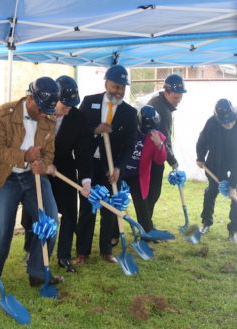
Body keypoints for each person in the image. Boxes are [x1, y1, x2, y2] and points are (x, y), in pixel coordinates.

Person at [0, 77, 62, 288]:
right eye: (42, 108)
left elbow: (49, 153)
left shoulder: (49, 119)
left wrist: (43, 164)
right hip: (3, 176)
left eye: (49, 109)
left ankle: (38, 271)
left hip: (32, 176)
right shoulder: (3, 114)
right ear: (30, 98)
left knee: (50, 222)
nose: (45, 113)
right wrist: (24, 157)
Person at [20, 75, 92, 274]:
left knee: (69, 213)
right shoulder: (39, 113)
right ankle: (30, 250)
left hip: (64, 171)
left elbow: (83, 152)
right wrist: (38, 162)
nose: (67, 109)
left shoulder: (78, 119)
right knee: (35, 213)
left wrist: (85, 181)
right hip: (37, 169)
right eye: (64, 104)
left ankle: (64, 256)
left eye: (71, 105)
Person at [75, 64, 137, 265]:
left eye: (122, 87)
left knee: (110, 208)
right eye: (115, 86)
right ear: (106, 83)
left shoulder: (129, 112)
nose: (119, 91)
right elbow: (79, 130)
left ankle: (106, 250)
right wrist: (94, 130)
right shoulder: (89, 102)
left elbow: (130, 145)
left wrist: (119, 167)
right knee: (86, 208)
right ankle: (82, 252)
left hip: (111, 167)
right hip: (89, 164)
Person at [196, 99, 237, 243]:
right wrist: (200, 157)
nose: (228, 124)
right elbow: (202, 140)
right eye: (224, 122)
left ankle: (233, 230)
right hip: (216, 160)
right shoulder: (212, 123)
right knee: (211, 191)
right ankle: (206, 222)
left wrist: (233, 185)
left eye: (231, 121)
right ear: (217, 118)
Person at [146, 74, 186, 234]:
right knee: (152, 194)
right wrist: (173, 161)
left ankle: (147, 225)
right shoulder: (161, 109)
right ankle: (146, 228)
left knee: (152, 194)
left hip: (155, 156)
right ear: (166, 92)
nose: (178, 100)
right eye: (176, 97)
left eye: (180, 97)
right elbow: (164, 138)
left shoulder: (161, 104)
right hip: (152, 159)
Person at [121, 106, 168, 235]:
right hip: (120, 173)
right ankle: (114, 234)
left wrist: (159, 145)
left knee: (142, 206)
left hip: (138, 175)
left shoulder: (156, 136)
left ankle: (146, 233)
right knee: (116, 203)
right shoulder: (128, 130)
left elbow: (160, 160)